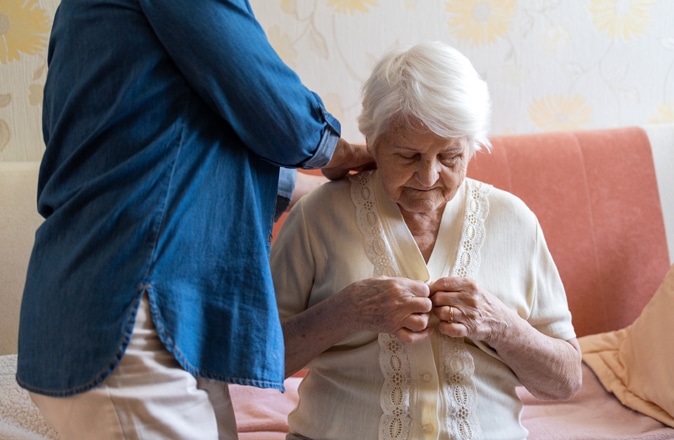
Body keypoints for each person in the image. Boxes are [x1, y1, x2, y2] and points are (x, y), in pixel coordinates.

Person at [16, 0, 372, 438]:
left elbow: (152, 145)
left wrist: (336, 192)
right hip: (136, 317)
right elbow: (270, 103)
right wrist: (343, 152)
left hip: (117, 312)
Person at [270, 41, 583, 440]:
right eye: (408, 155)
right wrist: (349, 311)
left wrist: (501, 325)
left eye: (450, 156)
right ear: (373, 142)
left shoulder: (514, 221)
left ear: (472, 146)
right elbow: (258, 359)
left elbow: (566, 380)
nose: (429, 177)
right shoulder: (318, 216)